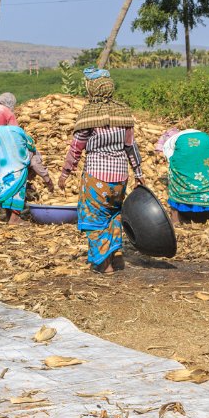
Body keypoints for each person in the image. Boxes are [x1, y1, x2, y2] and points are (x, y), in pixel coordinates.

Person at [59, 68, 143, 274]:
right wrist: (139, 174)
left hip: (97, 177)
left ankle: (104, 265)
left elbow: (76, 148)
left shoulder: (89, 115)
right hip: (120, 177)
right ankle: (117, 256)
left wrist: (65, 173)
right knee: (113, 214)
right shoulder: (123, 113)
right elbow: (131, 147)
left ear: (92, 89)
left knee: (94, 218)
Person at [0, 125, 53, 225]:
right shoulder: (33, 153)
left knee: (9, 188)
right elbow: (35, 165)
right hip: (14, 160)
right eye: (33, 176)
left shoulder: (14, 148)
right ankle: (15, 219)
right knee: (18, 185)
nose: (32, 178)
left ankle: (9, 217)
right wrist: (48, 181)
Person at [155, 128, 209, 223]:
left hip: (184, 143)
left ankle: (175, 219)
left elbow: (171, 161)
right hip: (205, 140)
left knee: (176, 176)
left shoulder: (170, 142)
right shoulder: (205, 136)